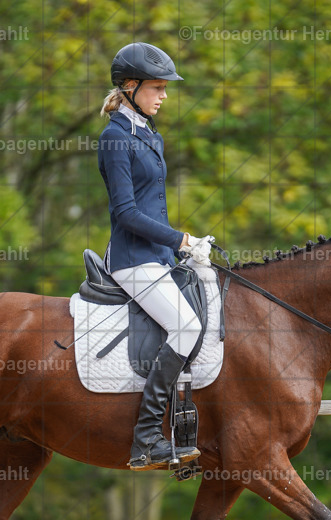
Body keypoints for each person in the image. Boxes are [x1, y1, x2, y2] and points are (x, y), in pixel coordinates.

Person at [97, 42, 212, 470]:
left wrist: (181, 250)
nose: (164, 96)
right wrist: (182, 239)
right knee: (185, 326)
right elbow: (126, 213)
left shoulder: (148, 134)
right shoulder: (114, 138)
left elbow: (152, 206)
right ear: (130, 87)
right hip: (131, 259)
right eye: (157, 88)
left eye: (165, 89)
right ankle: (146, 437)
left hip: (157, 257)